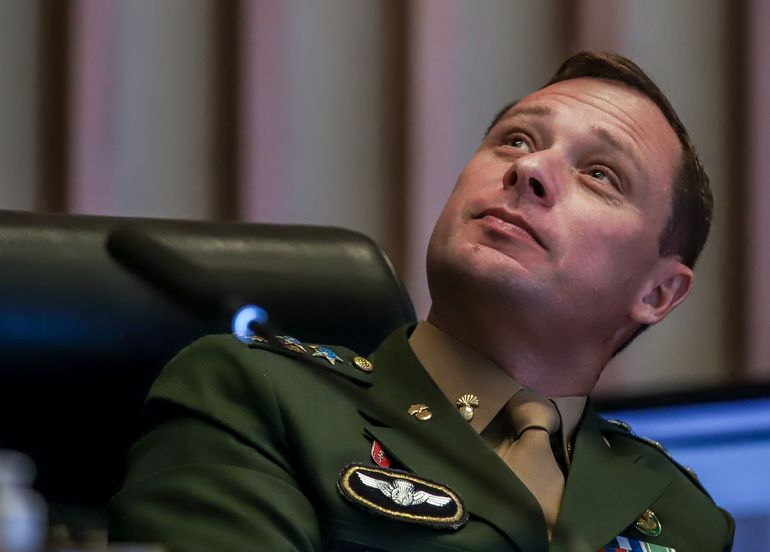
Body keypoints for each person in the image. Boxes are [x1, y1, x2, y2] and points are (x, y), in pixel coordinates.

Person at [108, 51, 734, 551]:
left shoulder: (682, 515)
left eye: (600, 174)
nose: (529, 169)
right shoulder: (257, 394)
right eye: (516, 140)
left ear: (657, 292)